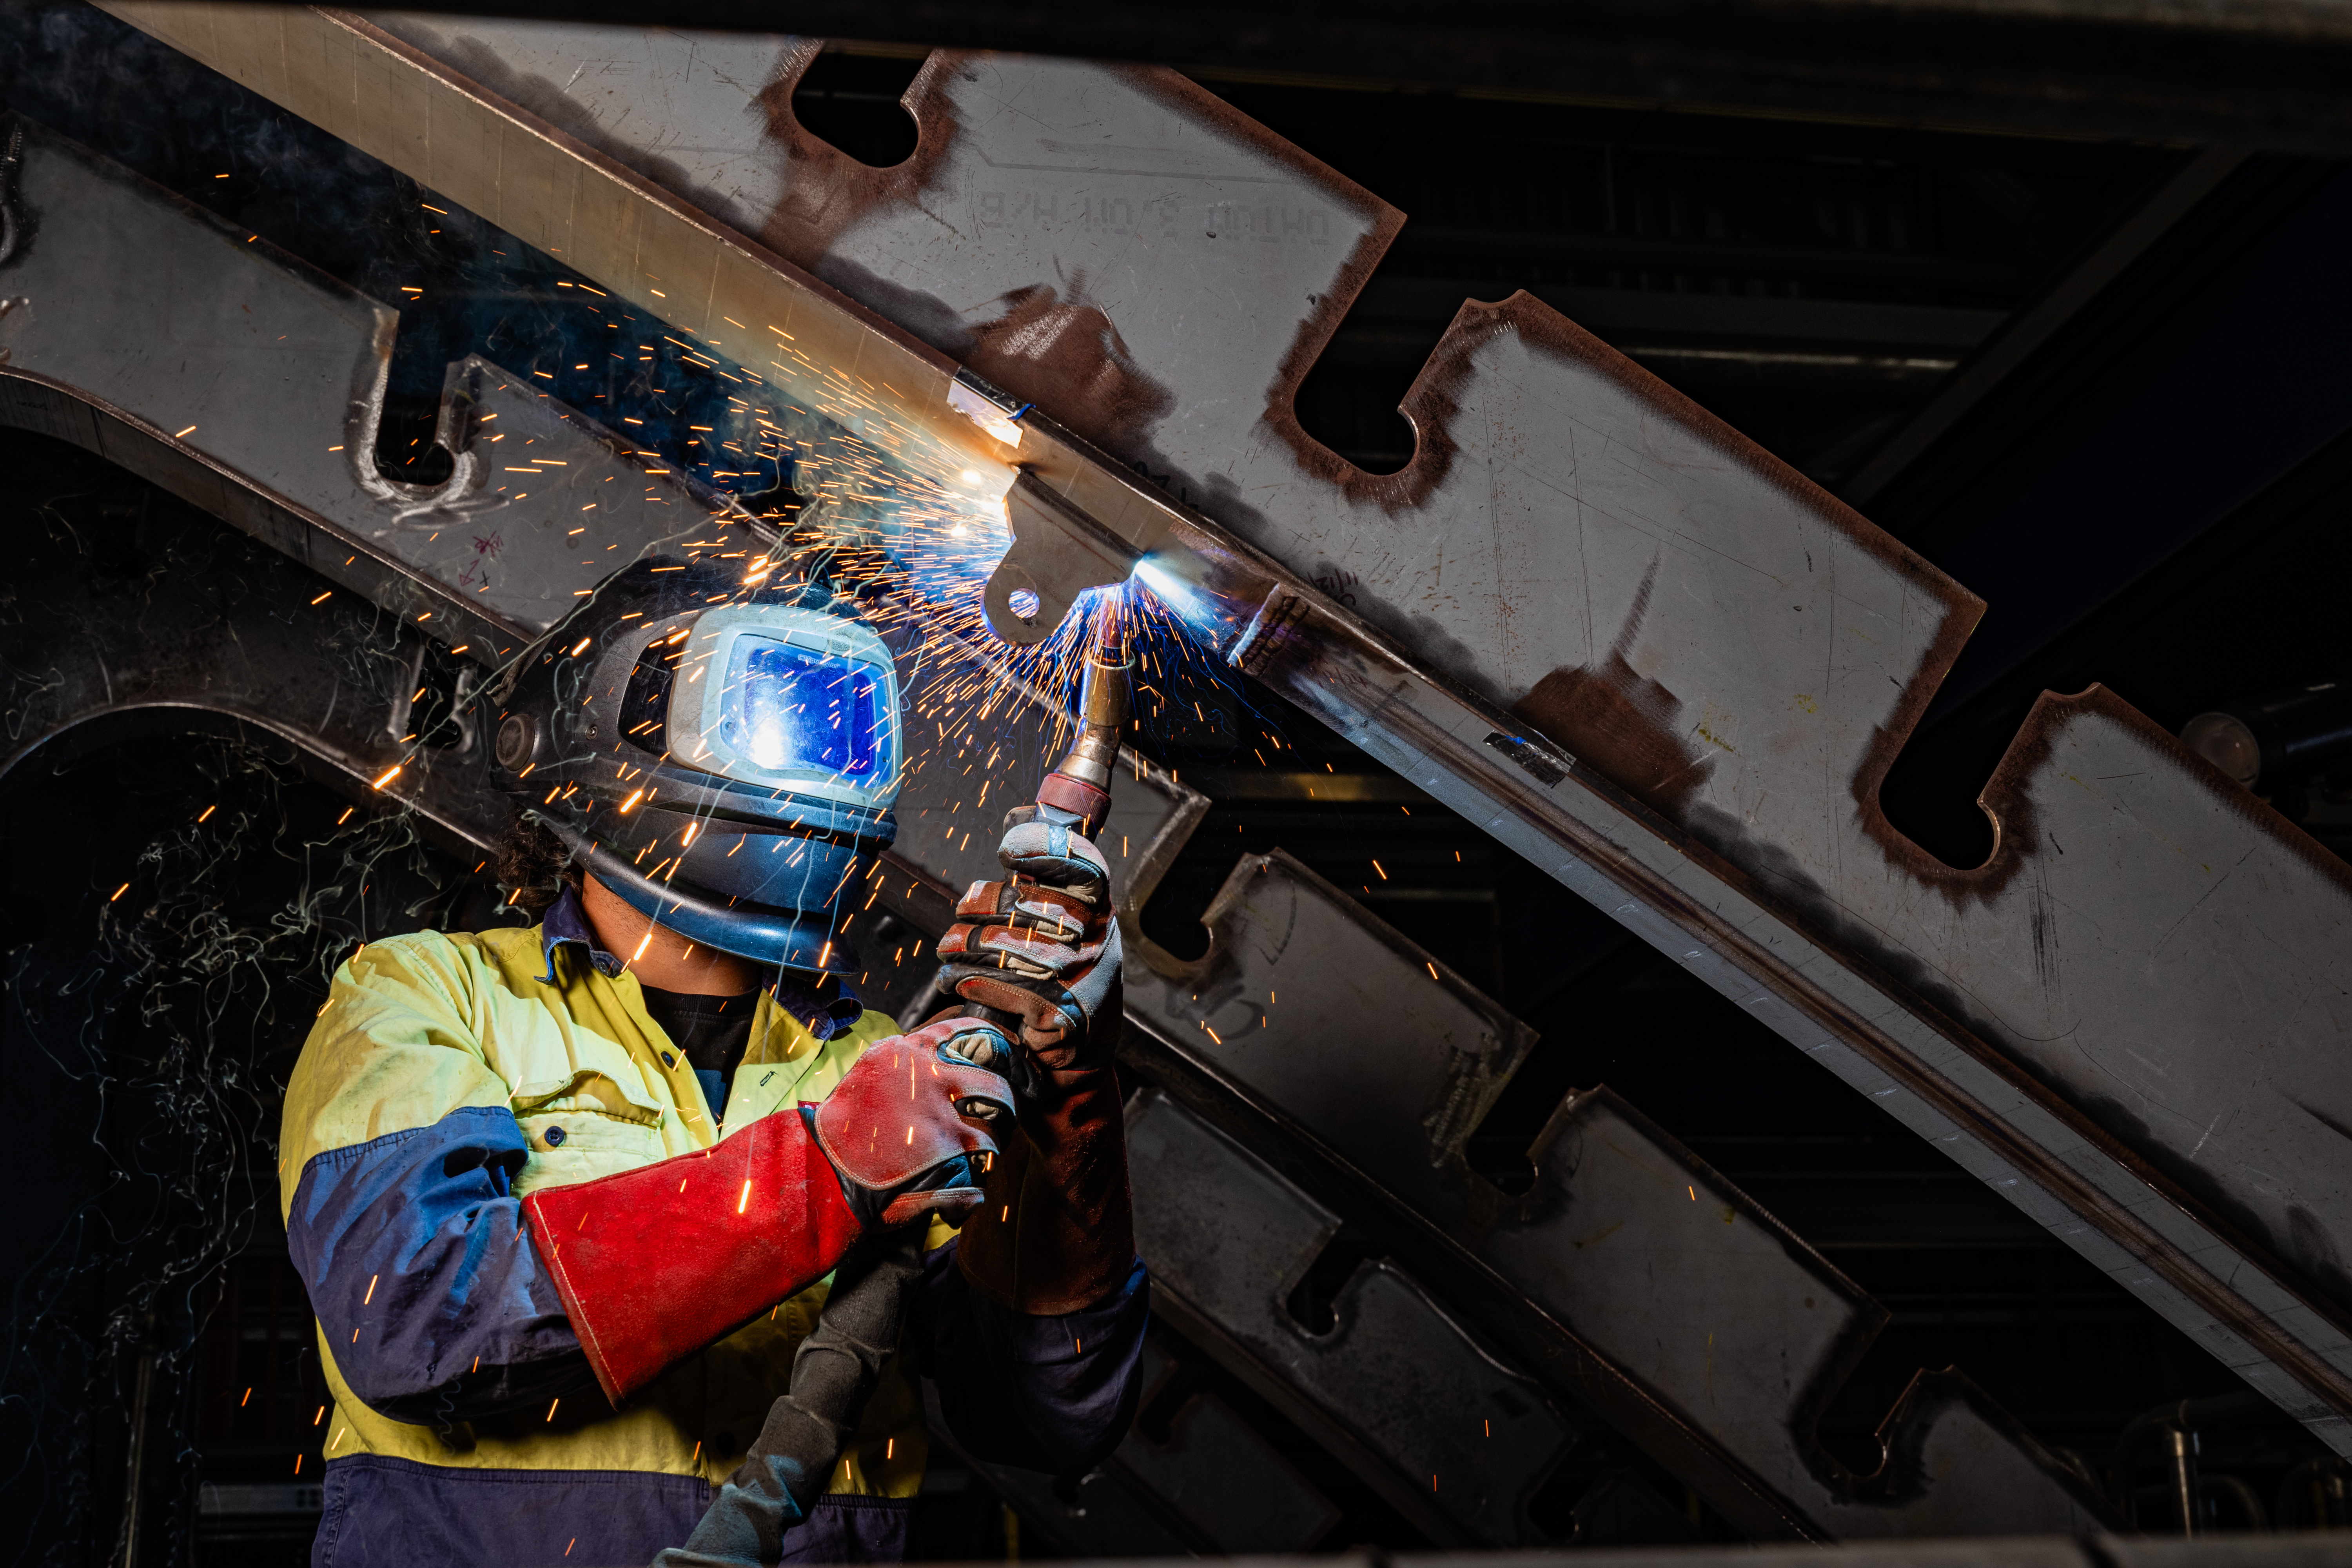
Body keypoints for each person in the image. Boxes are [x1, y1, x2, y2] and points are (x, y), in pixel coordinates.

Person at [277, 563, 1146, 1566]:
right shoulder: (425, 996)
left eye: (840, 726)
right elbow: (415, 1316)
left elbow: (1046, 1420)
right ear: (604, 729)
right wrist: (823, 1170)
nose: (812, 752)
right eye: (772, 708)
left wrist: (1076, 1104)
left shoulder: (886, 1067)